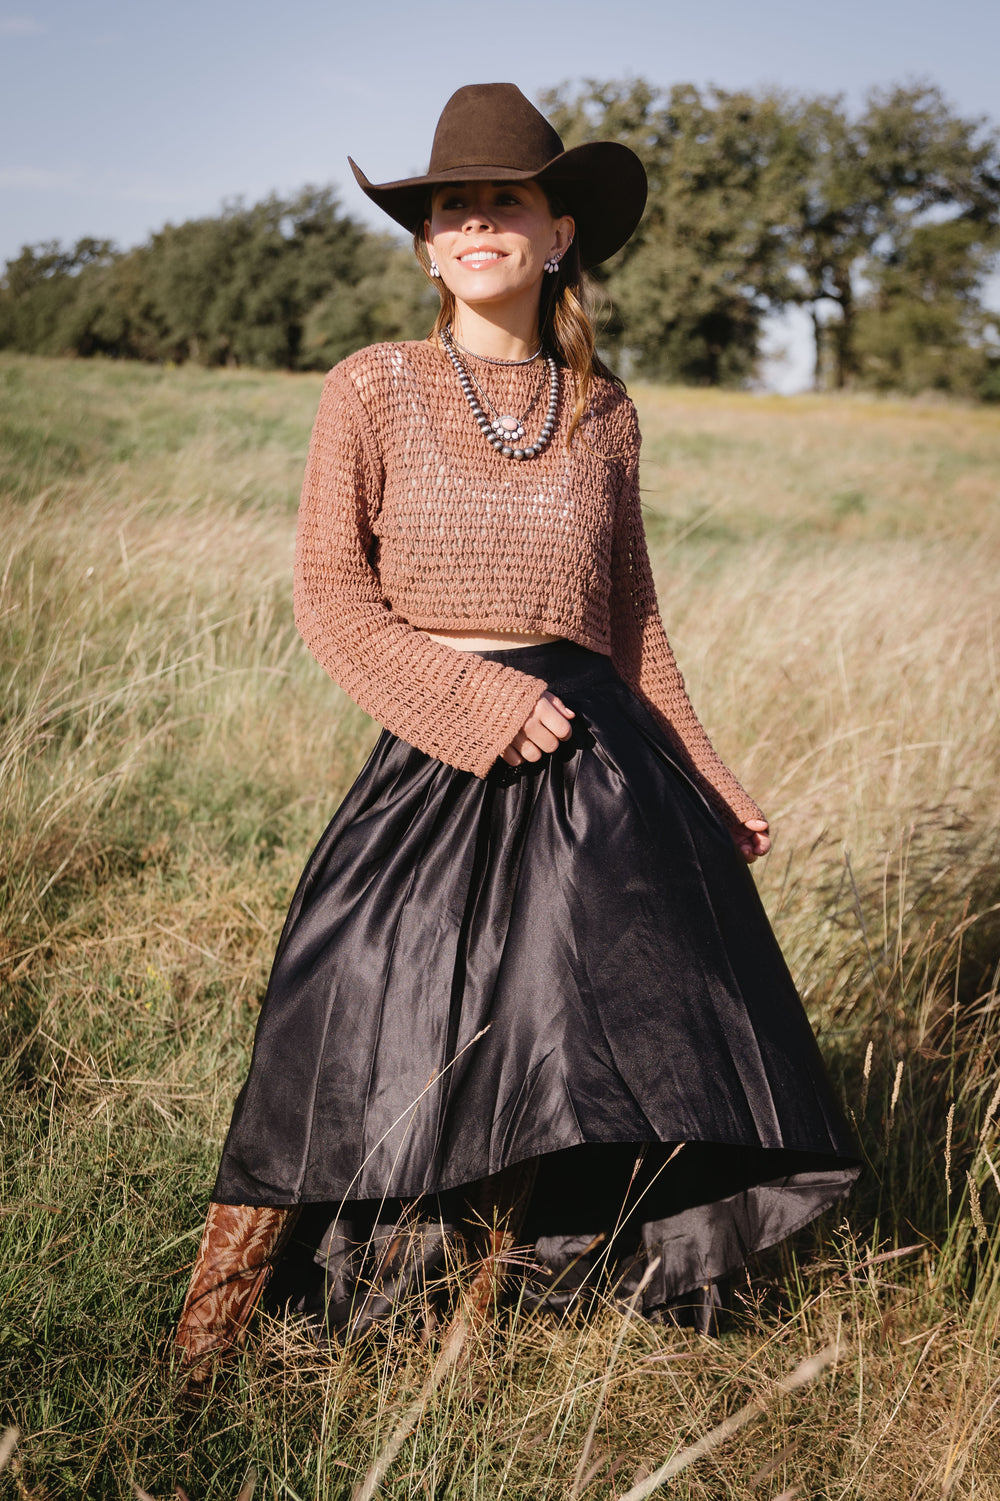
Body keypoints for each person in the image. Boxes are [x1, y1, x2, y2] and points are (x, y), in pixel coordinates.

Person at [174, 82, 859, 1385]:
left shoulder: (606, 412)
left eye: (507, 198)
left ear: (557, 237)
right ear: (430, 247)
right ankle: (204, 1341)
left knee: (565, 1049)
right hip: (437, 745)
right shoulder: (369, 389)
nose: (476, 219)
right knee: (333, 1014)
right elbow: (331, 596)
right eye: (451, 204)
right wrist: (484, 701)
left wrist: (709, 776)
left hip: (601, 771)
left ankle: (489, 1321)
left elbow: (631, 622)